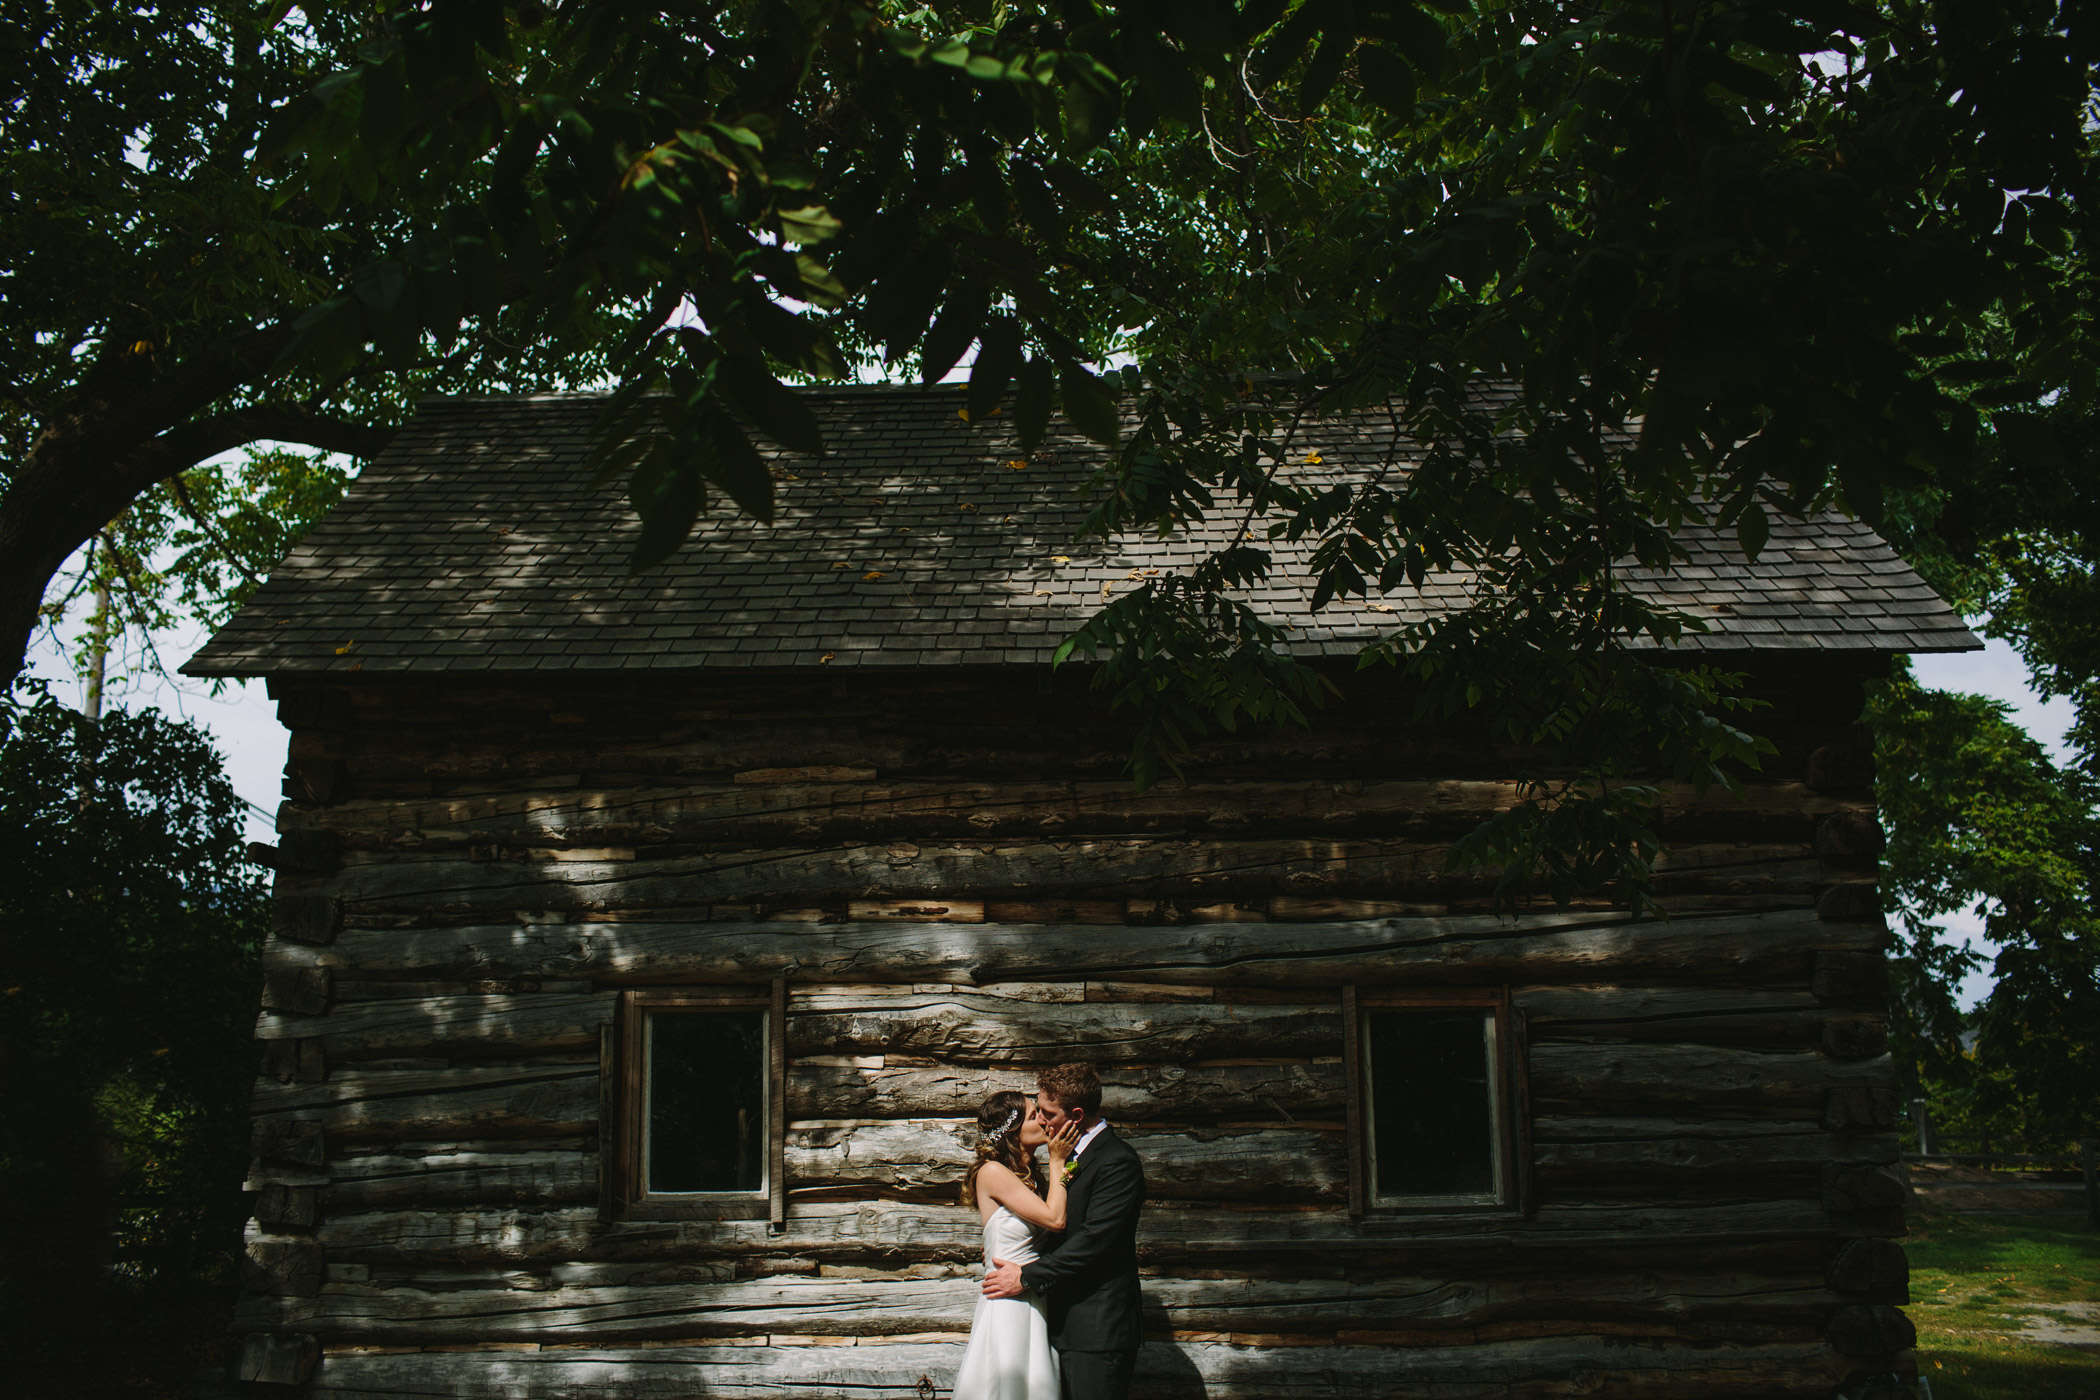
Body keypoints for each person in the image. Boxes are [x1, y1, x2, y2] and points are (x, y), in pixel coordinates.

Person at [981, 1064, 1147, 1400]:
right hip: (1056, 1323)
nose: (1041, 1120)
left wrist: (1027, 1276)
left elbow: (1092, 1241)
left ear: (1076, 1114)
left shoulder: (1117, 1161)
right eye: (1037, 1112)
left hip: (1097, 1330)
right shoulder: (1064, 1158)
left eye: (1046, 1112)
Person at [952, 1089, 1081, 1400]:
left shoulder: (1030, 1178)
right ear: (1013, 1129)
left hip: (1031, 1294)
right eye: (1033, 1113)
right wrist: (1058, 1159)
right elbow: (1055, 1219)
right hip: (1007, 1301)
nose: (1043, 1119)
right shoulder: (993, 1172)